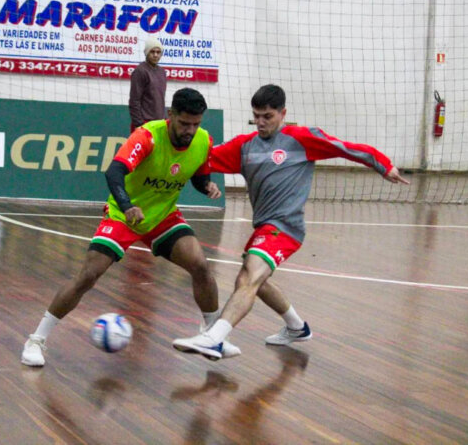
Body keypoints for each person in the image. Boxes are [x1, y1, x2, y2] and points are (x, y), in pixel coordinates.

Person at [173, 84, 410, 360]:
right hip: (263, 228)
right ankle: (297, 327)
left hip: (286, 228)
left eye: (267, 116)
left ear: (283, 113)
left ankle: (214, 338)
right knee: (258, 282)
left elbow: (346, 149)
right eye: (256, 116)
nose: (260, 122)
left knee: (247, 277)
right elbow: (201, 159)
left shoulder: (302, 138)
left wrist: (383, 165)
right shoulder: (244, 146)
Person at [22, 88, 240, 367]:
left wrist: (206, 186)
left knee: (200, 265)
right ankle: (36, 340)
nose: (190, 130)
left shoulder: (202, 141)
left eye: (196, 124)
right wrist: (127, 207)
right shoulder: (147, 136)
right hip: (124, 214)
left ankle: (212, 336)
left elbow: (198, 176)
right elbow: (114, 172)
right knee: (88, 275)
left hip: (162, 216)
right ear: (170, 115)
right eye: (184, 123)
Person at [129, 37, 167, 133]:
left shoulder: (162, 72)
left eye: (158, 52)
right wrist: (139, 124)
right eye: (152, 52)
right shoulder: (140, 71)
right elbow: (134, 100)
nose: (155, 55)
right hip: (144, 124)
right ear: (146, 53)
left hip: (159, 123)